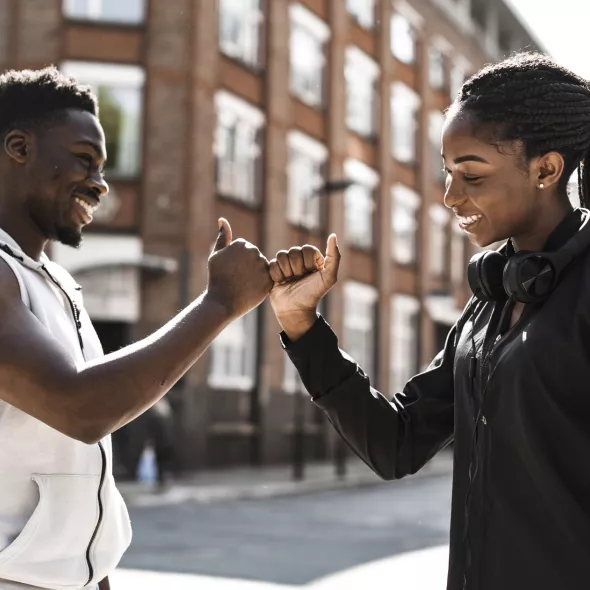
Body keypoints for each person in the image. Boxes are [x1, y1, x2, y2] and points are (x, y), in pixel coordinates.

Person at [269, 52, 590, 590]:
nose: (449, 196)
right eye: (447, 172)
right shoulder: (489, 303)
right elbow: (395, 444)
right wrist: (302, 326)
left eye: (472, 173)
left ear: (547, 169)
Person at [0, 67, 272, 590]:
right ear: (18, 148)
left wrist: (98, 575)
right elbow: (82, 408)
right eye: (84, 160)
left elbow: (83, 467)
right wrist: (218, 304)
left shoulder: (58, 284)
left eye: (102, 167)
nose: (100, 184)